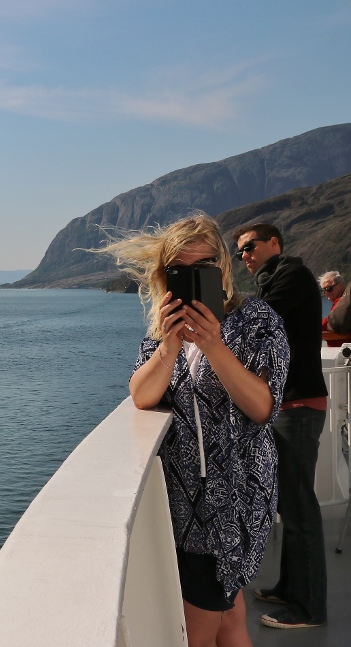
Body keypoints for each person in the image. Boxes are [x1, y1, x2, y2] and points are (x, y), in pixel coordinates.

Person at [101, 213, 289, 647]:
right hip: (184, 502)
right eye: (178, 271)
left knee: (195, 632)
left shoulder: (257, 321)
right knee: (227, 618)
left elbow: (263, 406)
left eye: (202, 267)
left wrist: (213, 346)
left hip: (235, 498)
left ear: (221, 267)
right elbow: (142, 394)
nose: (190, 279)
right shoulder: (163, 332)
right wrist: (170, 345)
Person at [233, 222, 329, 629]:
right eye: (239, 252)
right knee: (289, 504)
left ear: (274, 242)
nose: (245, 255)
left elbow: (260, 319)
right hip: (285, 405)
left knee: (300, 507)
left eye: (250, 246)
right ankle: (290, 588)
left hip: (299, 405)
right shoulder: (275, 281)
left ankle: (308, 608)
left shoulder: (292, 275)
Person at [319, 271, 346, 347]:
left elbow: (331, 321)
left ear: (341, 286)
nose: (326, 293)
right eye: (323, 290)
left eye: (329, 288)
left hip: (341, 350)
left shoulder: (341, 302)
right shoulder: (343, 301)